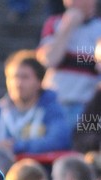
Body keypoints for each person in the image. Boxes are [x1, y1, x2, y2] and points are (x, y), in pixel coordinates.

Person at [0, 50, 71, 156]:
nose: (18, 83)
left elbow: (59, 141)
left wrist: (16, 146)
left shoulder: (51, 107)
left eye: (25, 77)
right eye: (13, 77)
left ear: (39, 82)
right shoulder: (1, 107)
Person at [36, 0, 101, 131]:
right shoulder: (54, 23)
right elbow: (49, 60)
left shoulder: (98, 27)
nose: (93, 2)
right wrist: (67, 26)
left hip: (86, 106)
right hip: (55, 104)